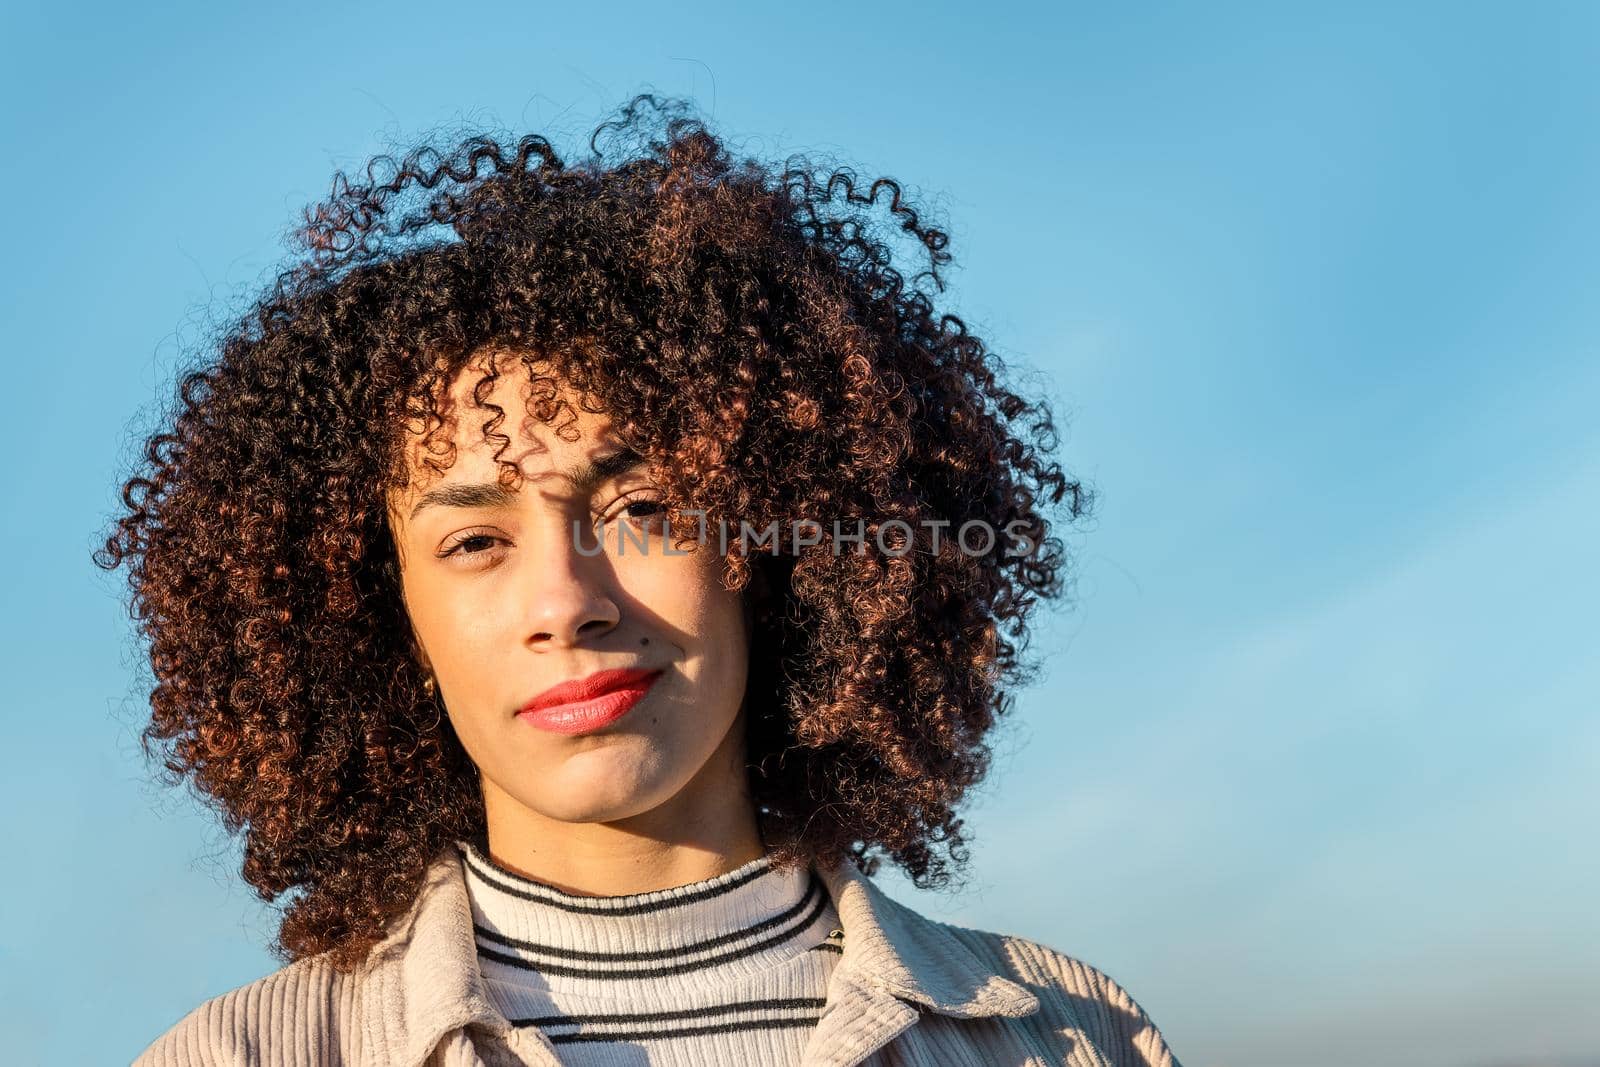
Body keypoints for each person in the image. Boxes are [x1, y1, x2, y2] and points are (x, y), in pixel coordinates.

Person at [98, 95, 1182, 1067]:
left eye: (643, 510)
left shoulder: (1074, 1034)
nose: (567, 602)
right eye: (473, 540)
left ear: (786, 550)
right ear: (390, 624)